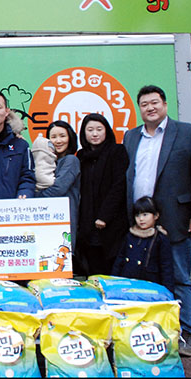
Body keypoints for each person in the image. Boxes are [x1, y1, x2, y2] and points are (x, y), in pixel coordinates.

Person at [123, 85, 191, 357]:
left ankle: (185, 333)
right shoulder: (131, 136)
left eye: (154, 102)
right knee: (143, 277)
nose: (150, 108)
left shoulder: (188, 133)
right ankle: (149, 331)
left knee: (179, 278)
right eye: (144, 104)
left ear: (165, 104)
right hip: (138, 222)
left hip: (175, 219)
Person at [76, 113, 129, 276]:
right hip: (87, 225)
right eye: (90, 130)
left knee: (112, 270)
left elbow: (119, 186)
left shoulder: (117, 151)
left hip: (111, 224)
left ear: (107, 131)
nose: (95, 134)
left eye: (99, 129)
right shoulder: (81, 156)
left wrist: (104, 216)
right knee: (93, 271)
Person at [34, 120, 81, 256]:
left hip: (63, 219)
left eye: (62, 136)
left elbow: (58, 189)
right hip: (44, 218)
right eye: (53, 137)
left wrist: (34, 199)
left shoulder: (71, 160)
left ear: (70, 138)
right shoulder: (44, 162)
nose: (58, 141)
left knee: (60, 258)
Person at [112, 196, 175, 294]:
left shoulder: (160, 238)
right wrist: (114, 282)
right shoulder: (130, 235)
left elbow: (166, 267)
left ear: (156, 216)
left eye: (145, 215)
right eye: (137, 215)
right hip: (127, 283)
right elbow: (120, 260)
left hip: (151, 286)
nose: (141, 219)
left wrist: (168, 292)